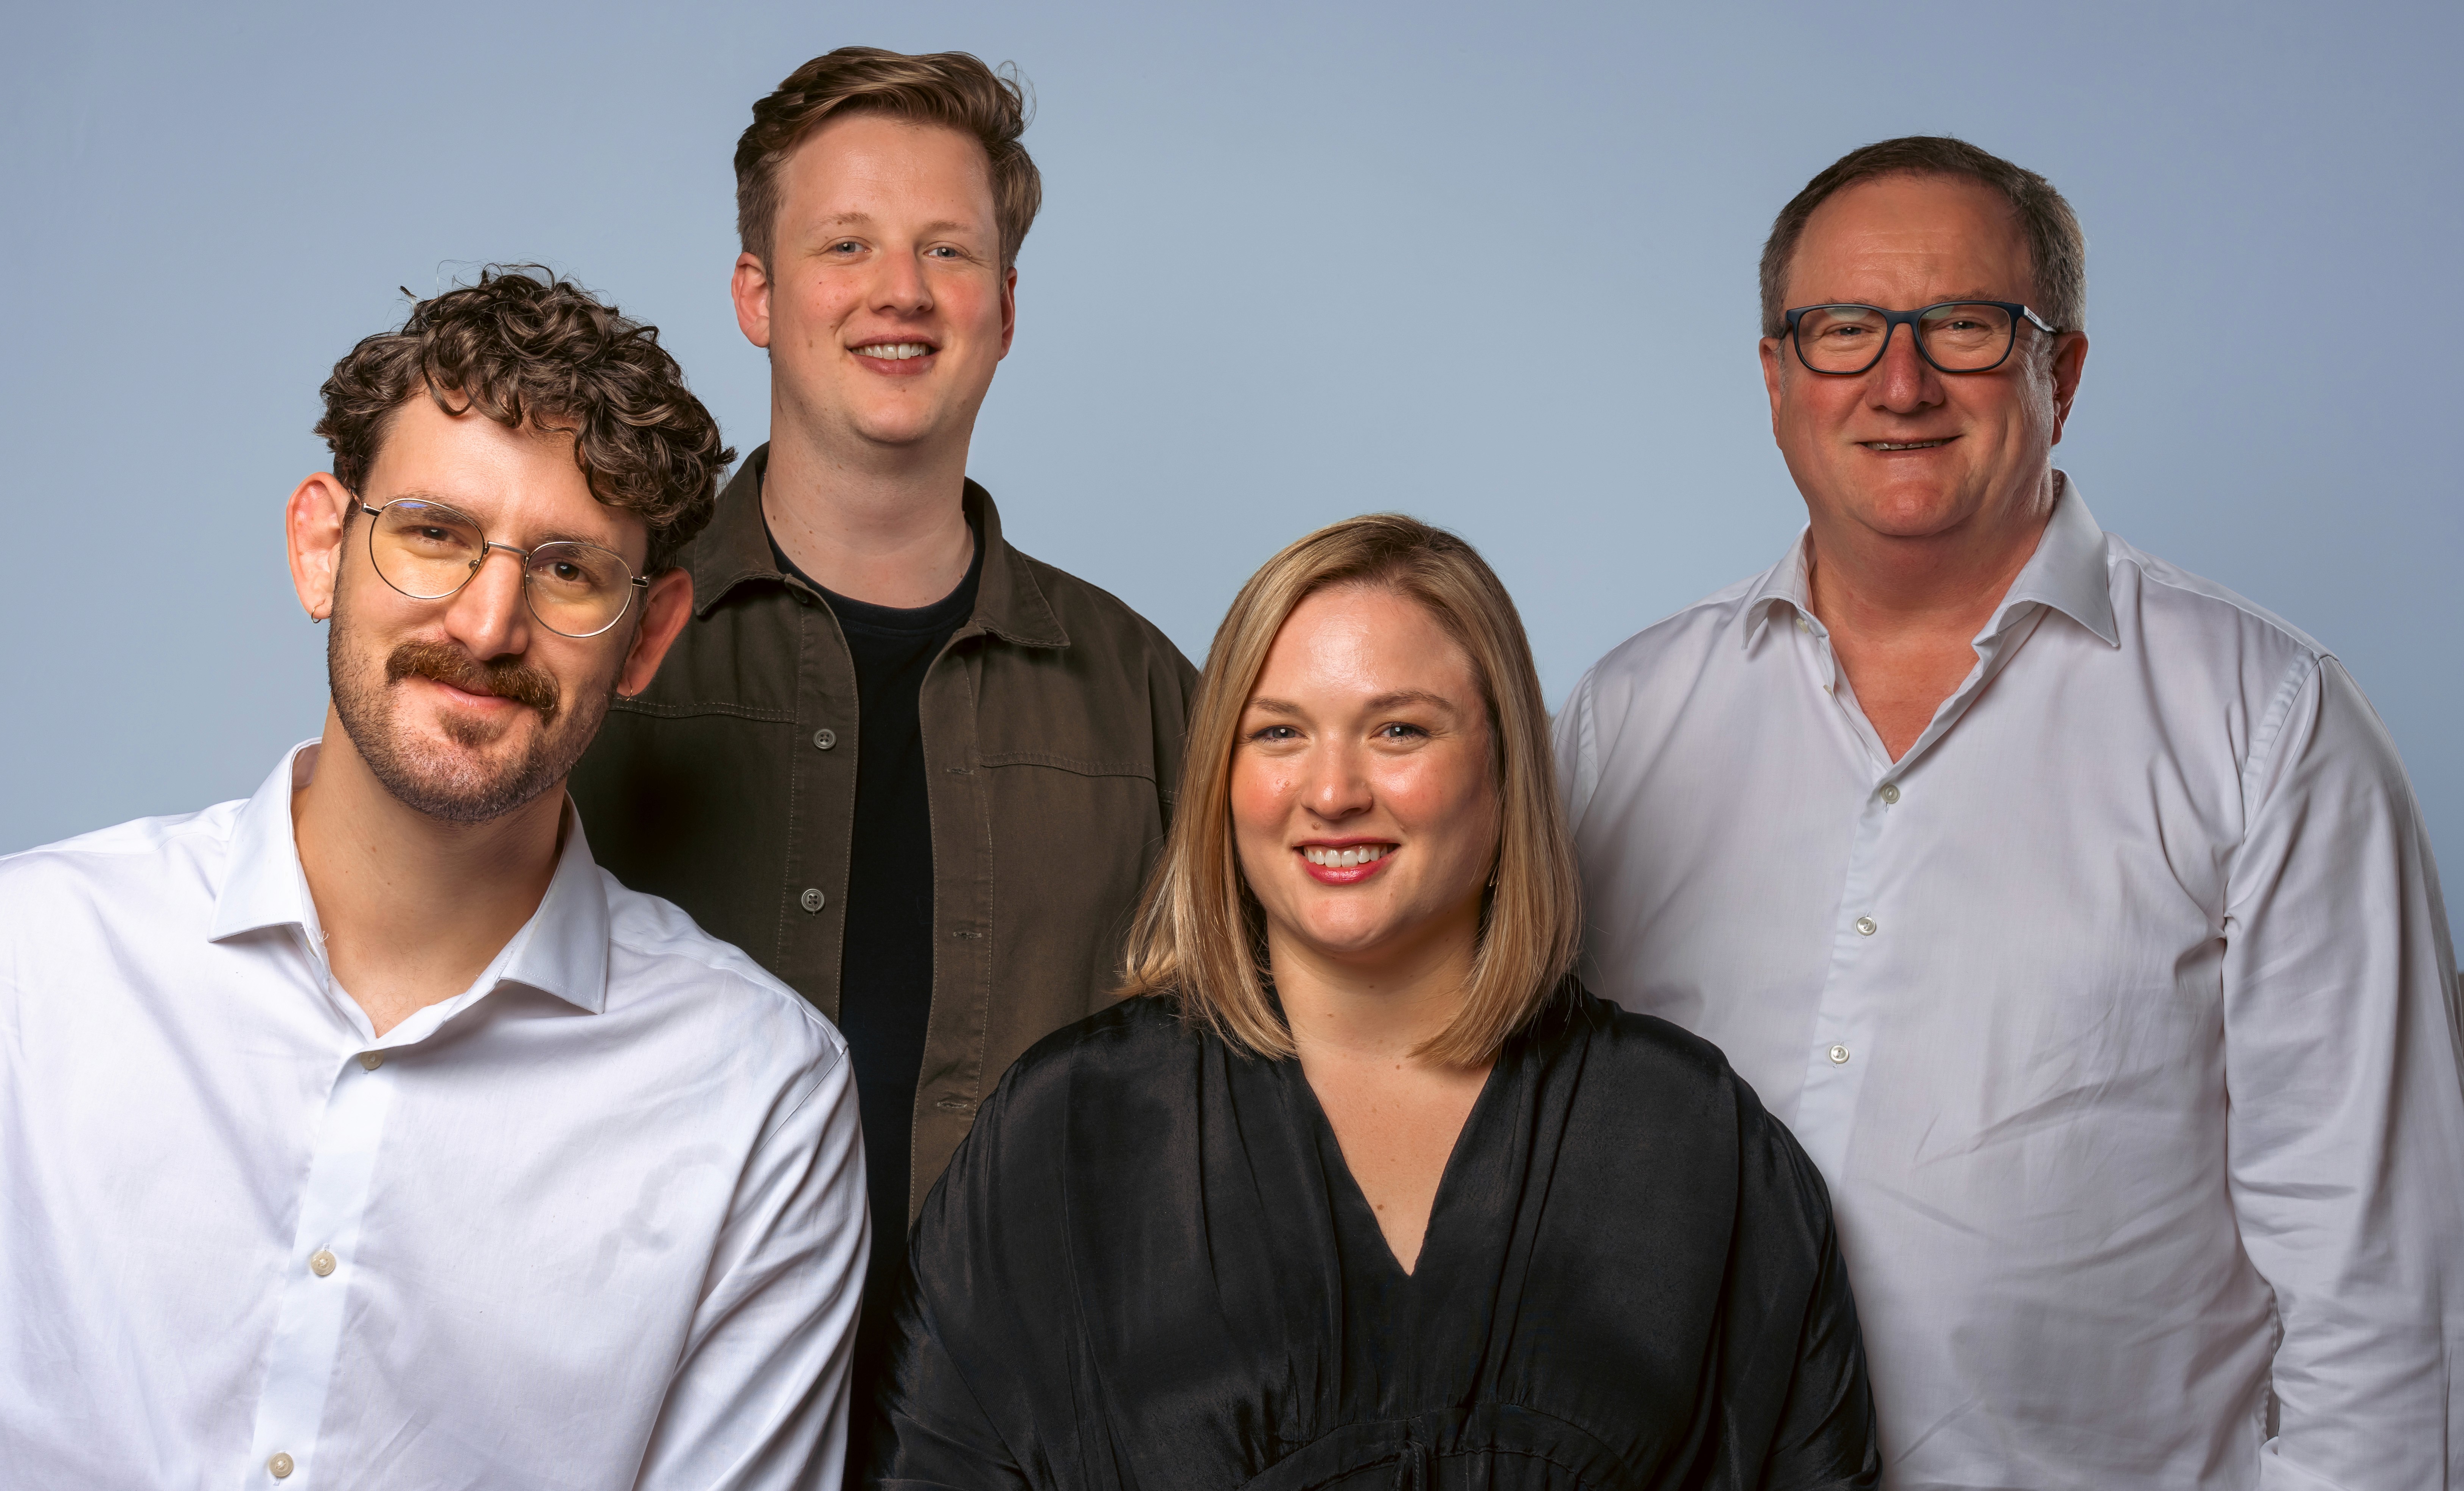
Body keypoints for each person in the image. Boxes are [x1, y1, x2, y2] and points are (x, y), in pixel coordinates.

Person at [0, 269, 868, 1488]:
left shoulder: (760, 1100)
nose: (487, 624)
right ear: (323, 548)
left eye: (569, 570)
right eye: (434, 534)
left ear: (648, 636)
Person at [1557, 136, 2464, 1488]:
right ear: (1777, 378)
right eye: (1843, 329)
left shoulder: (2267, 724)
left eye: (1967, 327)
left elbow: (2383, 1296)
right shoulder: (1622, 721)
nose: (1901, 382)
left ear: (2064, 373)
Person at [871, 516, 1880, 1489]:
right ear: (1220, 778)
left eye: (1399, 730)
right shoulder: (1065, 1136)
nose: (1333, 792)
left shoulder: (1691, 1139)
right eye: (1279, 733)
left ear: (1505, 768)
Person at [563, 46, 1195, 1466]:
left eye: (946, 251)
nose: (899, 291)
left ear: (1006, 308)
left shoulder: (1153, 699)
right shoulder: (590, 646)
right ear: (757, 294)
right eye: (845, 244)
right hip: (641, 1443)